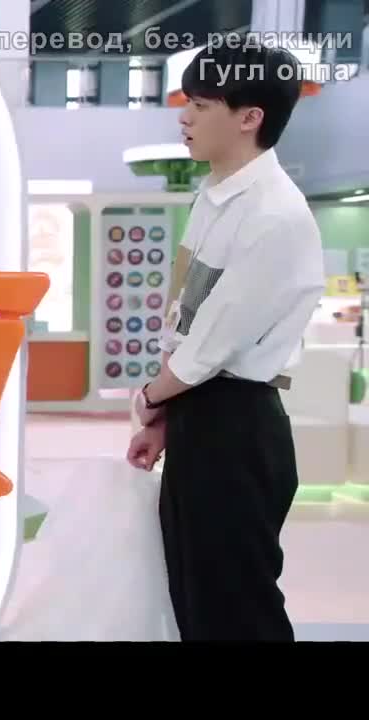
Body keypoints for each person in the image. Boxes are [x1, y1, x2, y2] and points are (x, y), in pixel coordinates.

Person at [126, 42, 323, 641]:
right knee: (197, 604)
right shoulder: (213, 196)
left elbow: (212, 345)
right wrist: (166, 418)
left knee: (237, 613)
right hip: (201, 419)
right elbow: (186, 320)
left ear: (249, 117)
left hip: (236, 429)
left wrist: (151, 397)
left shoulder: (274, 214)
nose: (184, 116)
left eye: (202, 104)